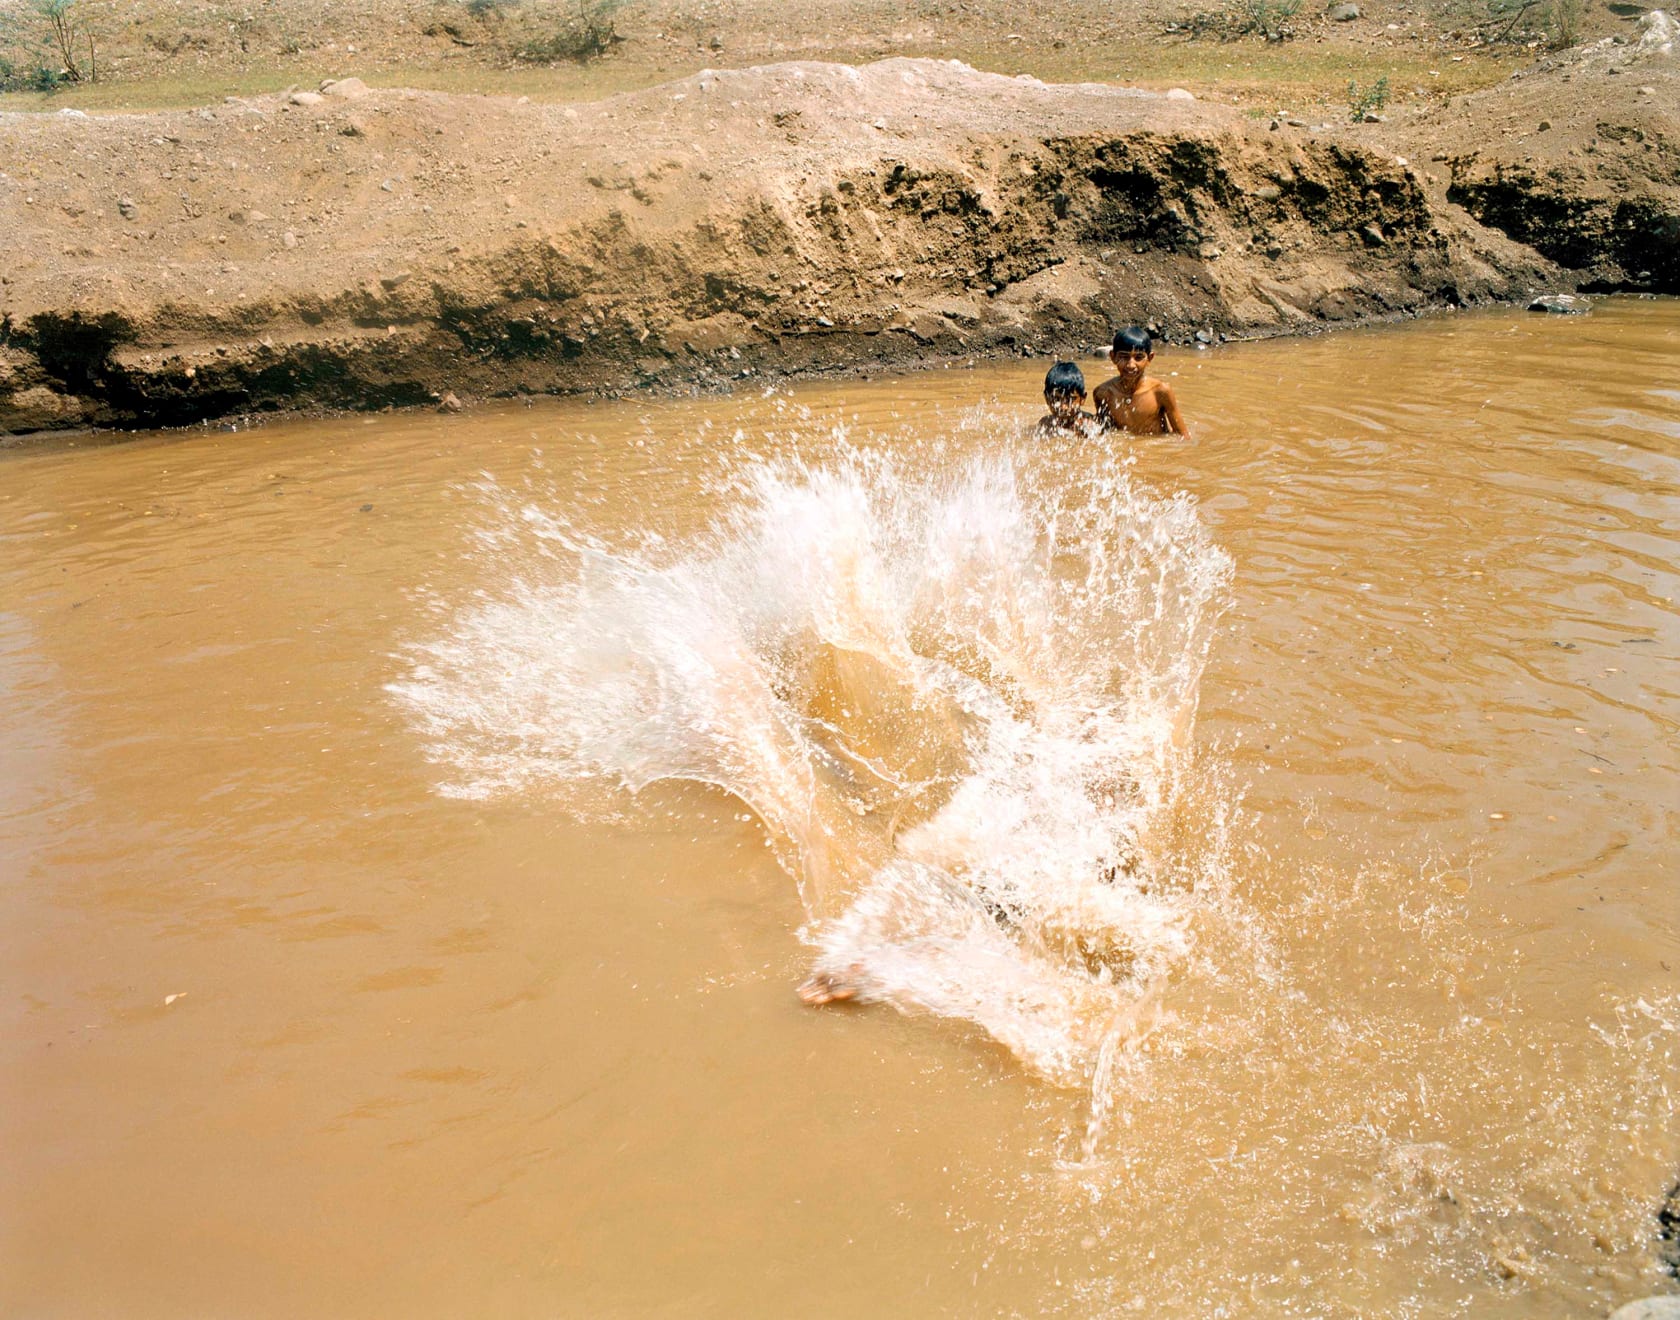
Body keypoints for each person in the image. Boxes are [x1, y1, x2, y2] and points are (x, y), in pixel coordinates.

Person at [1093, 327, 1191, 440]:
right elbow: (1104, 436)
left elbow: (1183, 437)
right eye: (1124, 357)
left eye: (1138, 357)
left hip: (1156, 451)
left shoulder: (1160, 391)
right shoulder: (1103, 393)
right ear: (1113, 357)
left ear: (1150, 358)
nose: (1131, 365)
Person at [1034, 360, 1099, 436]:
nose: (1063, 407)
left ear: (1082, 399)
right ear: (1047, 398)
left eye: (1070, 400)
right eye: (1057, 399)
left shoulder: (1089, 425)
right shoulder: (1045, 424)